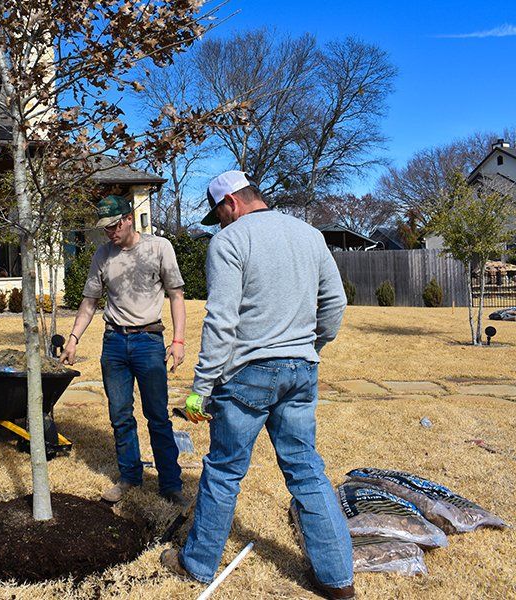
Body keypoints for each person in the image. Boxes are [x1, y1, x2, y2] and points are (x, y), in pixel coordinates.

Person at [160, 172, 354, 599]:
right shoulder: (308, 234)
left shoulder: (229, 242)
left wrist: (201, 387)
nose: (221, 223)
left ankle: (196, 565)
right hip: (301, 370)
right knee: (307, 471)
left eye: (219, 214)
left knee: (225, 471)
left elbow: (222, 320)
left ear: (231, 202)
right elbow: (335, 303)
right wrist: (312, 344)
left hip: (247, 374)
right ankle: (338, 579)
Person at [59, 195, 187, 506]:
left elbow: (177, 295)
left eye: (114, 226)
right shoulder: (103, 255)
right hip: (114, 342)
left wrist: (179, 340)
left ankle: (170, 484)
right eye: (105, 228)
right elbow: (89, 302)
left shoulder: (159, 248)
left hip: (148, 341)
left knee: (157, 415)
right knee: (120, 415)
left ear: (128, 218)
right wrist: (74, 337)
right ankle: (130, 477)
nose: (111, 233)